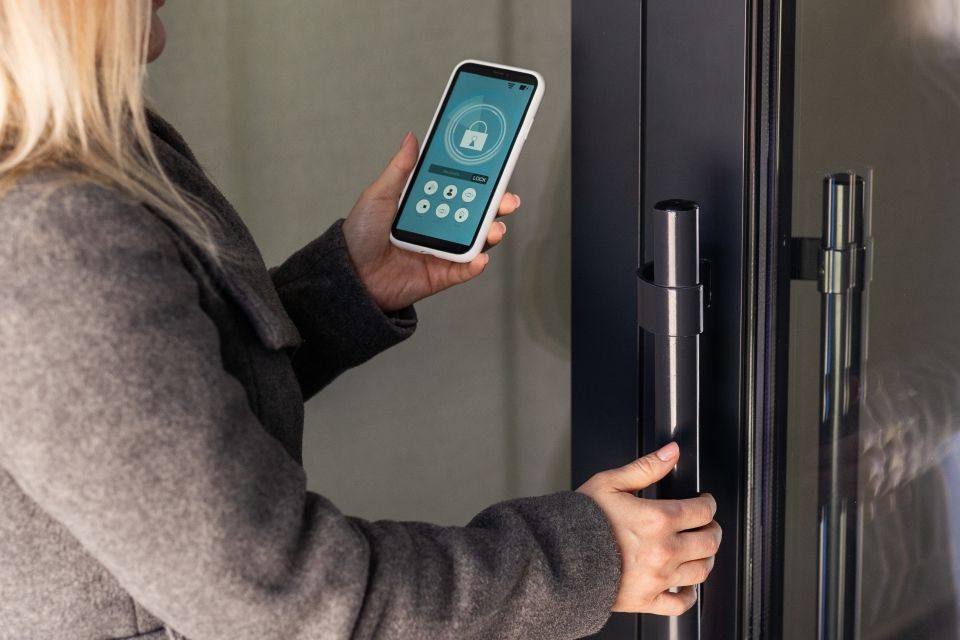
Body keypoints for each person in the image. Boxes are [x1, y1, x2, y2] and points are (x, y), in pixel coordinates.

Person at [0, 2, 721, 639]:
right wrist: (585, 560)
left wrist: (348, 284)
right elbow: (284, 600)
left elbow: (158, 409)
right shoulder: (49, 233)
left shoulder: (93, 163)